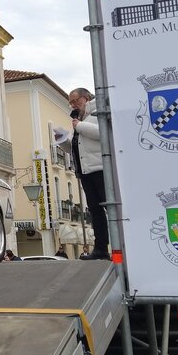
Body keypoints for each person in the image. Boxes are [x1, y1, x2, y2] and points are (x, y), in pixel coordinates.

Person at [57, 88, 111, 261]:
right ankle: (101, 248)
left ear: (86, 98)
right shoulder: (80, 120)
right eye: (70, 102)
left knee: (110, 208)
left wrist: (78, 126)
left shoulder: (97, 112)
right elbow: (79, 147)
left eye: (75, 100)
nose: (72, 105)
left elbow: (102, 134)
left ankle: (122, 245)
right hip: (86, 172)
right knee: (95, 211)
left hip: (100, 169)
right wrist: (64, 142)